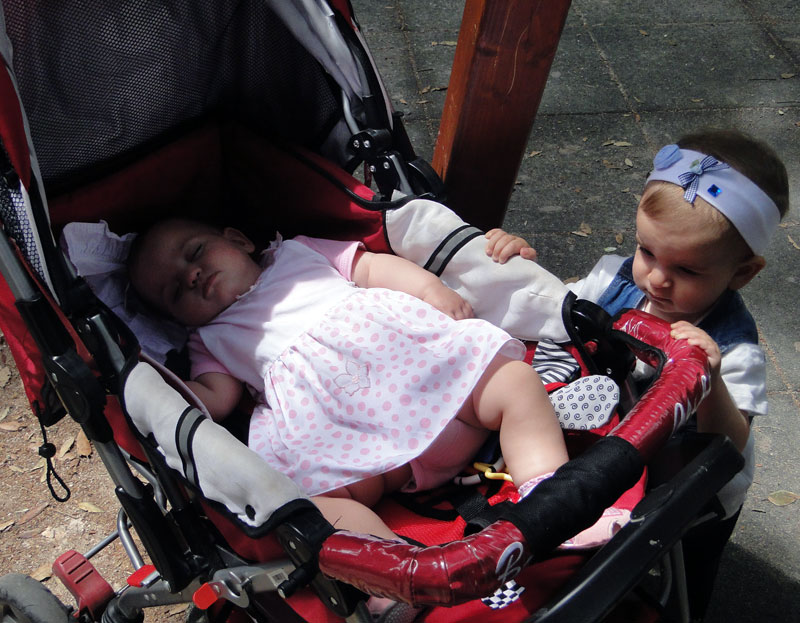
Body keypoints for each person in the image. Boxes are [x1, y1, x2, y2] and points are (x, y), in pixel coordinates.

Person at [126, 218, 627, 545]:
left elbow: (370, 268)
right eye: (175, 292)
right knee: (305, 503)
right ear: (178, 320)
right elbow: (214, 401)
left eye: (195, 253)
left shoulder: (297, 255)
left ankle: (553, 503)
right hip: (350, 443)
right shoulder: (209, 338)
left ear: (238, 239)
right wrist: (152, 379)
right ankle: (390, 569)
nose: (192, 276)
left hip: (435, 383)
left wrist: (429, 289)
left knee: (514, 381)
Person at [495, 128, 790, 618]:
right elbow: (555, 313)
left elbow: (728, 444)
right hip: (614, 439)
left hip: (688, 480)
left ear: (741, 273)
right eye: (647, 252)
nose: (656, 278)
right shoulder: (613, 278)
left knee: (688, 566)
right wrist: (517, 268)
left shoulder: (732, 346)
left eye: (687, 271)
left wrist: (710, 378)